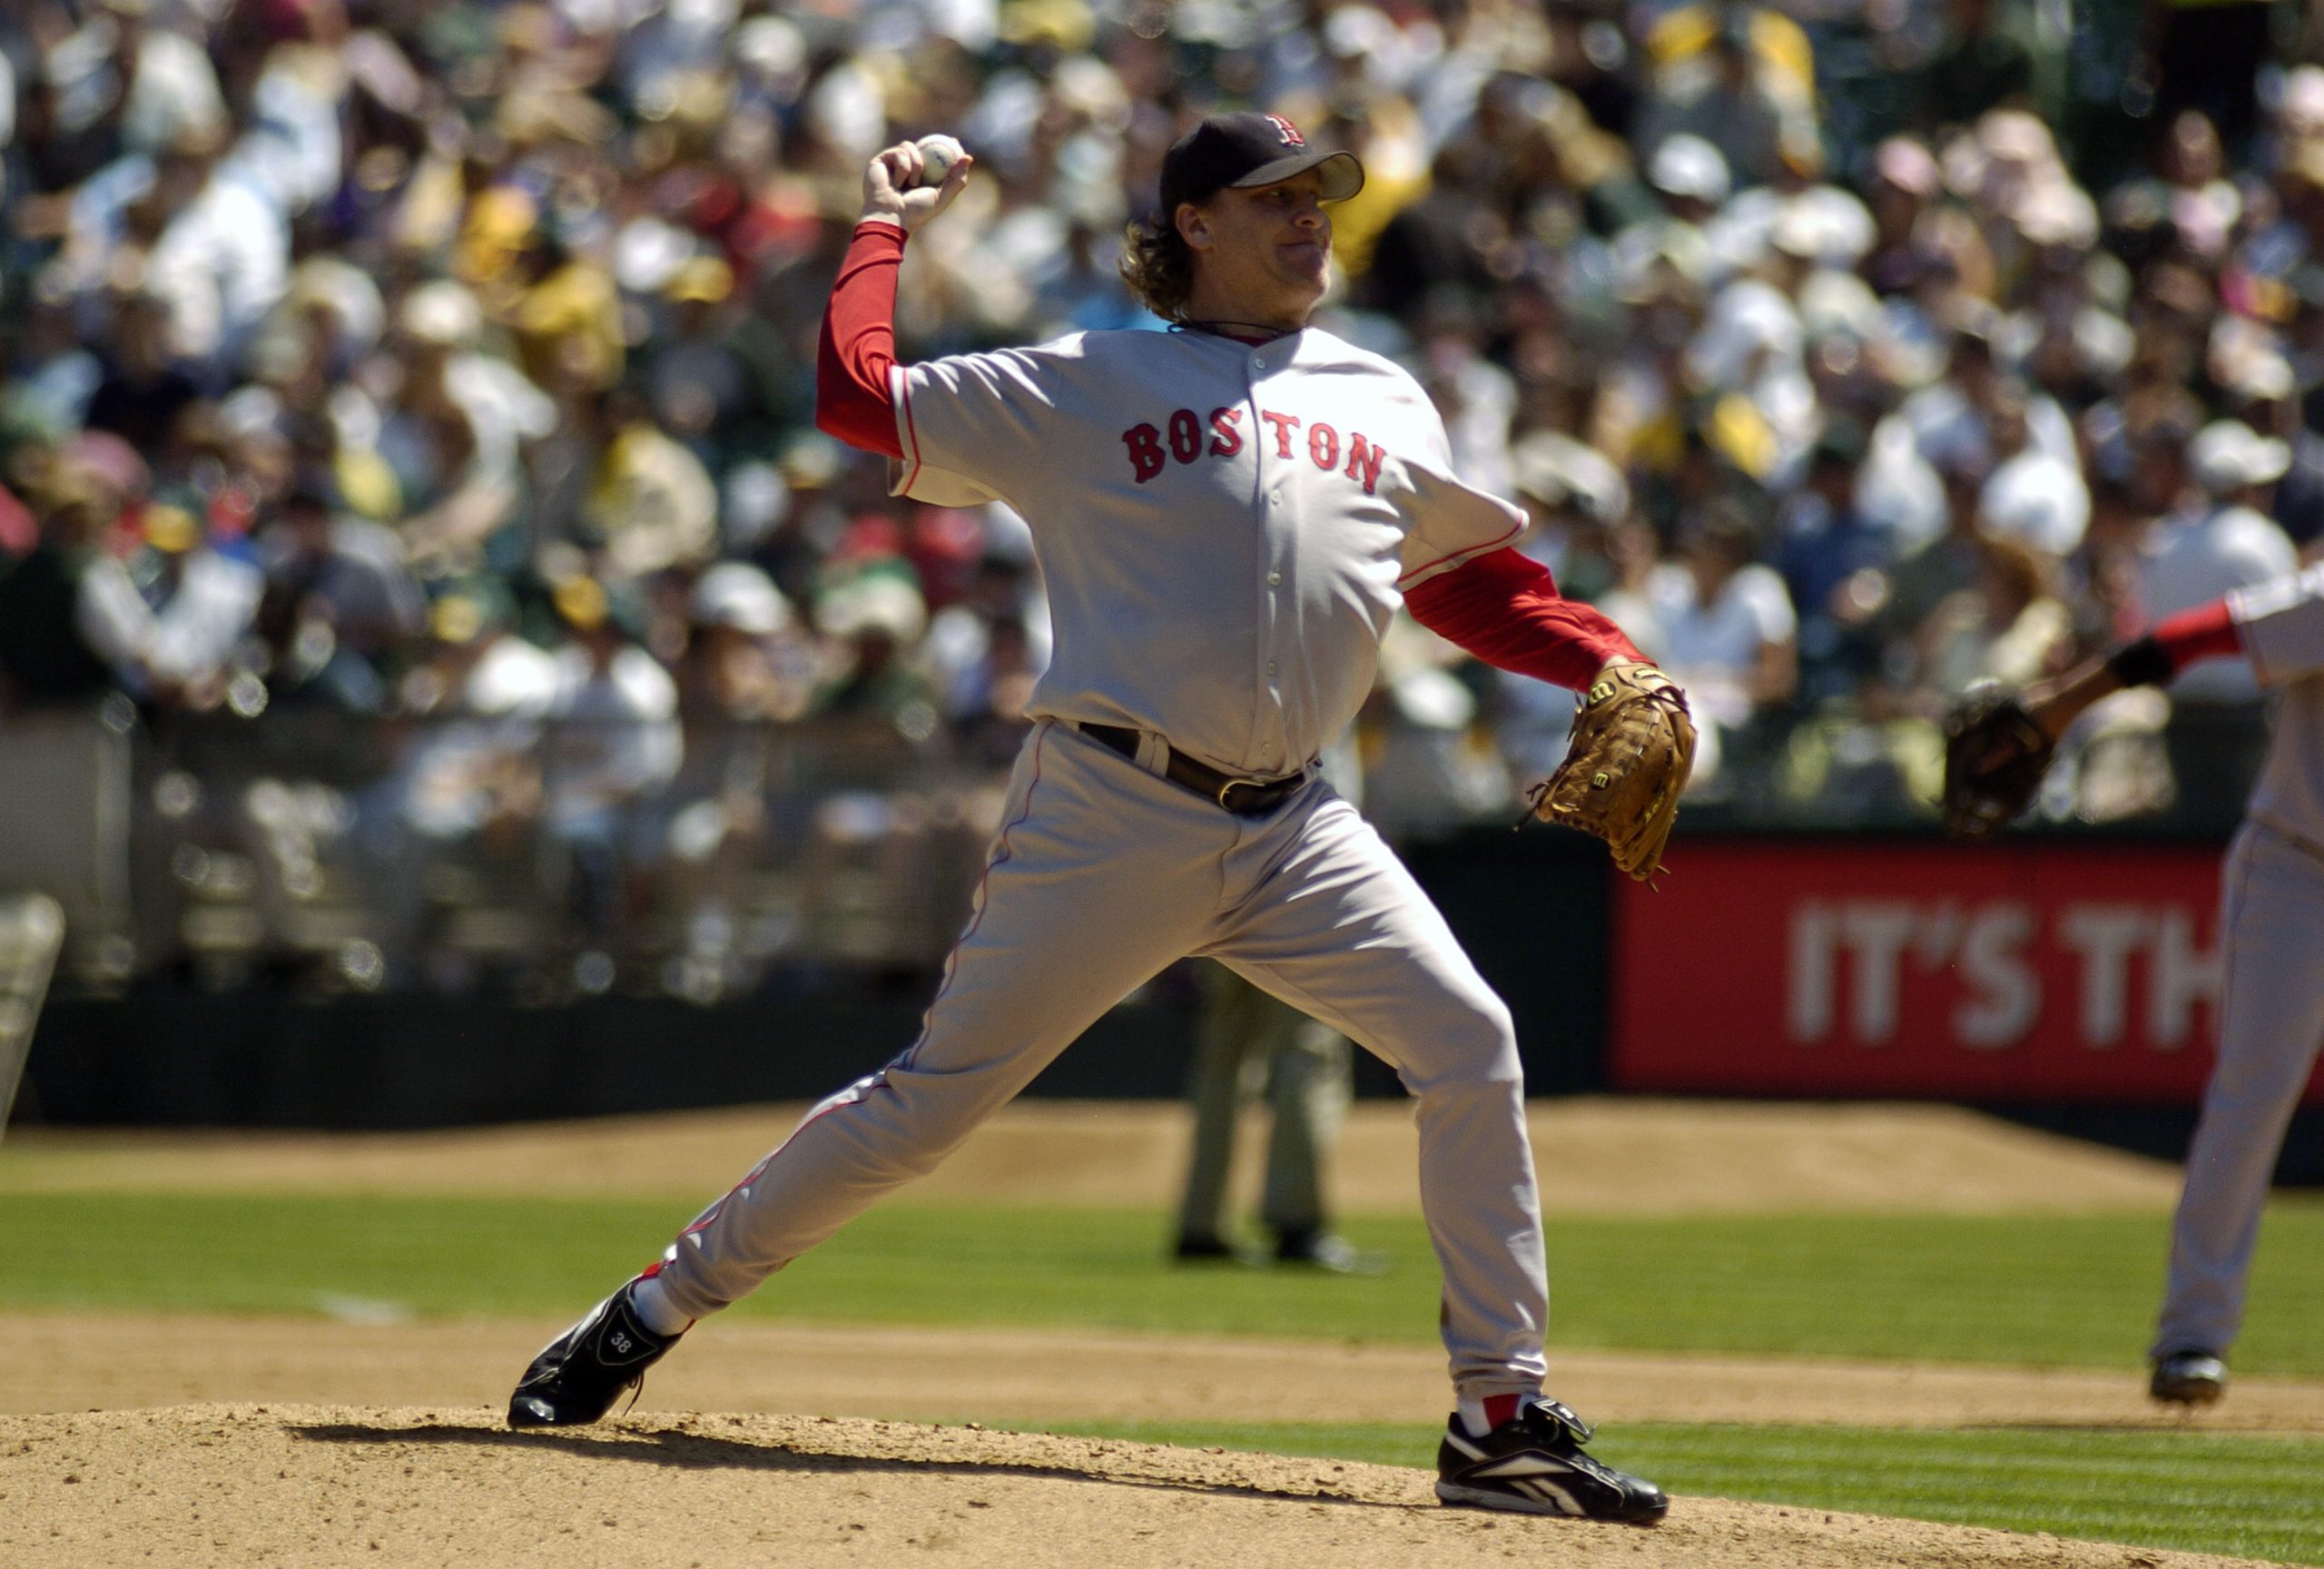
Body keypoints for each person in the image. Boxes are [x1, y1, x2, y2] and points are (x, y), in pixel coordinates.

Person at [504, 113, 1682, 1525]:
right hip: (1113, 810)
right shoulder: (1085, 380)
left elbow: (1467, 585)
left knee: (1471, 1043)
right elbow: (856, 398)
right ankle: (648, 1312)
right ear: (1193, 221)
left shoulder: (1386, 396)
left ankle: (1500, 1417)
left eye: (1322, 197)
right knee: (928, 1109)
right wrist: (879, 228)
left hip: (1302, 828)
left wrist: (1610, 658)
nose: (1312, 219)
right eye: (1276, 198)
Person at [1978, 560, 2324, 1405]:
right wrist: (2061, 705)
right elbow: (2198, 636)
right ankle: (2192, 1338)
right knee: (2255, 1089)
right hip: (2300, 869)